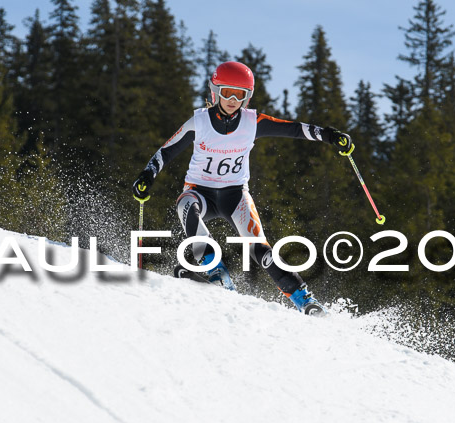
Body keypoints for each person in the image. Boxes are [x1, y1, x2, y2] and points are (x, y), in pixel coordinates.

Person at [132, 61, 352, 316]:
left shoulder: (252, 122)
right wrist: (147, 176)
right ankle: (215, 272)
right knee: (185, 204)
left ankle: (305, 299)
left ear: (247, 97)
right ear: (215, 92)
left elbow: (293, 129)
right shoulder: (199, 122)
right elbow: (166, 152)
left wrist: (329, 135)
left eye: (240, 95)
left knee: (260, 249)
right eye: (227, 93)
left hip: (235, 195)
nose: (233, 100)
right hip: (199, 192)